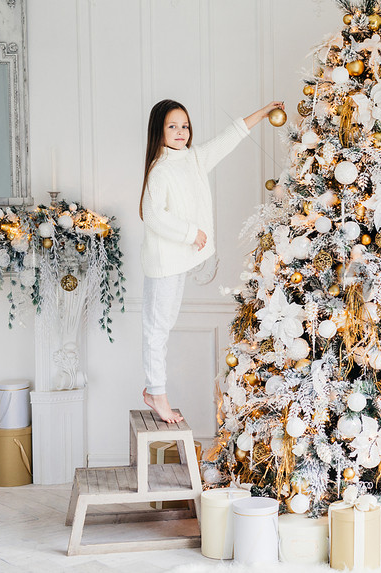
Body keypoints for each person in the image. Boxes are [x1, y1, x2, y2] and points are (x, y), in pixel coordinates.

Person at [139, 98, 284, 423]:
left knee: (162, 325)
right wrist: (192, 233)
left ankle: (154, 390)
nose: (180, 132)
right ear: (159, 131)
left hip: (176, 261)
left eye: (185, 126)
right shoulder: (160, 169)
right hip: (164, 261)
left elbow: (228, 138)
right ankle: (156, 393)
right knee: (156, 328)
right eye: (172, 126)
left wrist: (262, 112)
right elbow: (152, 214)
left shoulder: (191, 159)